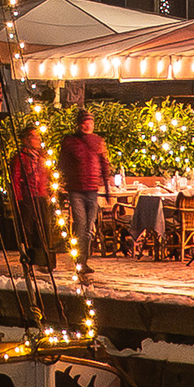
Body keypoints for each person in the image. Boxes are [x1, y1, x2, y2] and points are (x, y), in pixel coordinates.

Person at [57, 103, 111, 275]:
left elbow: (104, 164)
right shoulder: (70, 142)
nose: (88, 125)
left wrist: (107, 188)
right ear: (79, 124)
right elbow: (62, 164)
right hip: (76, 190)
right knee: (80, 225)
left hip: (92, 190)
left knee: (88, 228)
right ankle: (79, 260)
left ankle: (83, 261)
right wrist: (60, 185)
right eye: (85, 122)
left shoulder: (98, 142)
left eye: (90, 122)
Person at [7, 121, 60, 270]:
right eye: (33, 137)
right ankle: (29, 258)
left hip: (42, 195)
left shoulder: (42, 157)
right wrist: (18, 198)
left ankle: (43, 259)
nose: (37, 140)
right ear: (26, 140)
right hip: (27, 197)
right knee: (28, 229)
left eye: (38, 137)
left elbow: (48, 176)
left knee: (43, 227)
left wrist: (51, 191)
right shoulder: (20, 158)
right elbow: (15, 179)